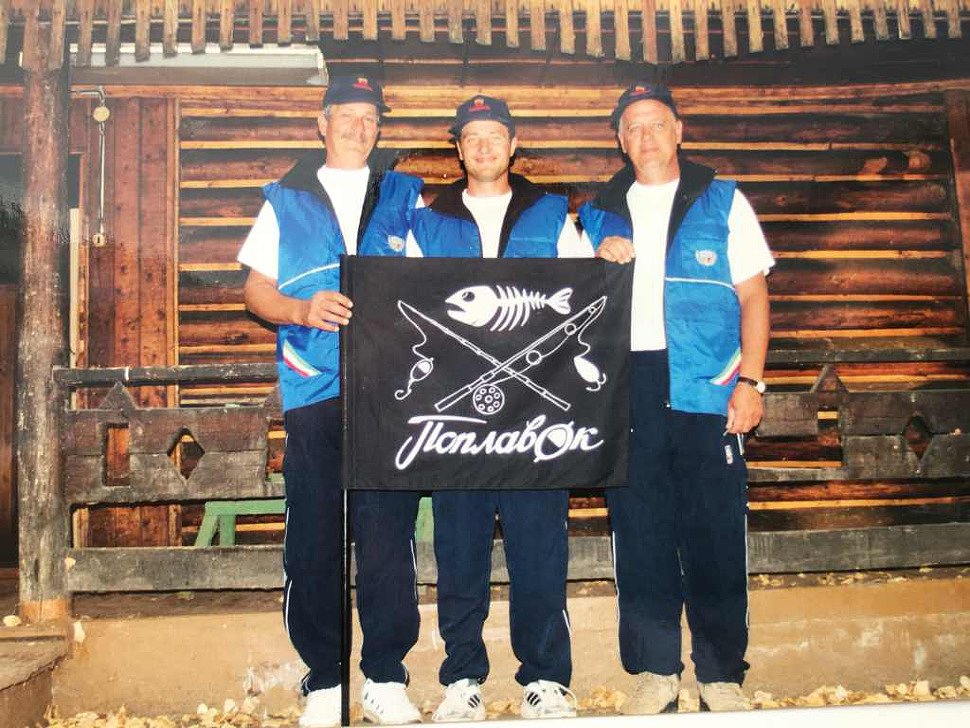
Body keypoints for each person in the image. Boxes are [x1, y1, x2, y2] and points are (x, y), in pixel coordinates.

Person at [578, 83, 774, 714]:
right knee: (640, 531)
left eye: (656, 124)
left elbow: (754, 296)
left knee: (714, 530)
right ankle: (656, 671)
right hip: (627, 385)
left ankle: (721, 674)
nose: (646, 136)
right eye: (633, 127)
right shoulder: (597, 211)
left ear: (679, 131)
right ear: (619, 140)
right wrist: (594, 260)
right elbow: (569, 303)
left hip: (707, 385)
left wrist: (751, 382)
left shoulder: (723, 199)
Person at [238, 76, 424, 727]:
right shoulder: (286, 198)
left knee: (387, 535)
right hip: (312, 388)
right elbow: (256, 290)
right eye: (348, 115)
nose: (359, 127)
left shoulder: (404, 194)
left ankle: (385, 677)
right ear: (322, 122)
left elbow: (437, 279)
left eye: (370, 118)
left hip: (388, 394)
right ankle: (324, 679)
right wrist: (300, 309)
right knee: (315, 535)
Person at [408, 95, 592, 721]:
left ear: (513, 145)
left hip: (535, 419)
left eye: (495, 136)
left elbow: (582, 295)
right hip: (460, 419)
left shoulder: (550, 213)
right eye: (472, 138)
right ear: (458, 149)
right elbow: (412, 311)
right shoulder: (429, 221)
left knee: (539, 547)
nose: (484, 147)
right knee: (459, 548)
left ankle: (546, 679)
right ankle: (462, 677)